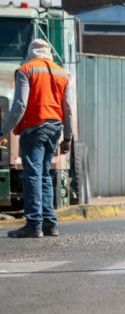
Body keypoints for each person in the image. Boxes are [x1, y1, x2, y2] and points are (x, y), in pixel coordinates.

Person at [0, 39, 74, 238]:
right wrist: (68, 137)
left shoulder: (26, 70)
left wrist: (4, 131)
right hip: (54, 128)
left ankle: (34, 224)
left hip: (34, 128)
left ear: (31, 52)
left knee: (33, 175)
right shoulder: (62, 73)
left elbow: (20, 105)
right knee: (44, 174)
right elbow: (68, 108)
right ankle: (50, 223)